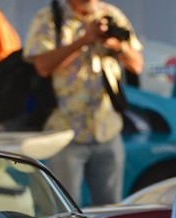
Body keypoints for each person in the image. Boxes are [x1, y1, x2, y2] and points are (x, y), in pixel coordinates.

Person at [24, 0, 143, 205]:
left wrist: (117, 45)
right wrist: (83, 40)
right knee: (65, 212)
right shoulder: (50, 17)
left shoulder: (111, 15)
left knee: (110, 209)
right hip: (65, 132)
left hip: (107, 129)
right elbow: (42, 66)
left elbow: (137, 65)